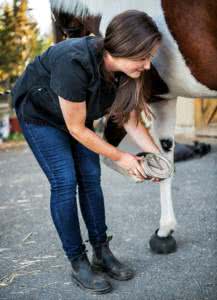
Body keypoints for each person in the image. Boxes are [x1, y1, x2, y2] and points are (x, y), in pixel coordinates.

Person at [12, 10, 162, 294]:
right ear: (124, 47)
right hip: (40, 114)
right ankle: (78, 260)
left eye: (150, 57)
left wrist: (158, 158)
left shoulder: (126, 72)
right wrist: (122, 157)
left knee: (91, 178)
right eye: (143, 57)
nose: (147, 65)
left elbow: (131, 120)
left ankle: (102, 251)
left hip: (75, 116)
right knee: (65, 181)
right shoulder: (74, 61)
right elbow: (77, 129)